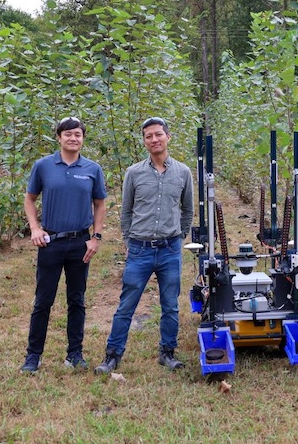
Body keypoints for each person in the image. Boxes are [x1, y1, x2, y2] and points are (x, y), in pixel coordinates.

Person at [94, 117, 193, 374]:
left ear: (168, 137)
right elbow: (126, 211)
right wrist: (128, 240)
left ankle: (167, 352)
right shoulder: (134, 173)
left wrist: (179, 236)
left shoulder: (183, 172)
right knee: (127, 304)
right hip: (140, 249)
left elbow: (187, 210)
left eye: (158, 134)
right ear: (144, 141)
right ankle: (112, 355)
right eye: (148, 136)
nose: (154, 140)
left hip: (170, 249)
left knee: (170, 305)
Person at [20, 117, 107, 374]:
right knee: (43, 301)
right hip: (51, 244)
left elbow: (100, 204)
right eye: (68, 134)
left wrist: (96, 236)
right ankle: (33, 356)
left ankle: (75, 354)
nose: (73, 138)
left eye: (78, 134)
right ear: (59, 137)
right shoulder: (43, 166)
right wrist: (35, 228)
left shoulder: (92, 169)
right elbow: (30, 199)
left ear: (82, 138)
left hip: (81, 243)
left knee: (77, 300)